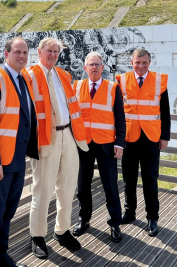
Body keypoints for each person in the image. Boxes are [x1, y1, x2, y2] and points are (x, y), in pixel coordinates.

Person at [24, 37, 88, 259]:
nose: (52, 55)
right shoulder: (29, 75)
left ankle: (62, 230)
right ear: (39, 52)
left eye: (56, 52)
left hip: (68, 134)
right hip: (45, 138)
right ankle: (37, 236)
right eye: (49, 51)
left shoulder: (63, 75)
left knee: (68, 186)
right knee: (42, 189)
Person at [0, 37, 38, 267]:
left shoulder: (23, 80)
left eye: (25, 52)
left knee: (7, 214)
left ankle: (2, 257)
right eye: (17, 52)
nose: (22, 56)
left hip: (16, 161)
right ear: (6, 54)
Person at [115, 49, 171, 237]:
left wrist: (165, 137)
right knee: (128, 179)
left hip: (151, 139)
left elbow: (165, 111)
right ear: (131, 62)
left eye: (144, 63)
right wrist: (118, 138)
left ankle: (152, 218)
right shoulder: (121, 80)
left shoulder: (159, 81)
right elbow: (118, 112)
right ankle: (129, 212)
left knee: (150, 180)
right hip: (129, 139)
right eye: (137, 62)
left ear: (150, 62)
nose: (140, 66)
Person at [72, 52, 126, 242]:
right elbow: (72, 116)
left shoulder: (113, 88)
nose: (94, 67)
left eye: (97, 64)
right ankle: (84, 219)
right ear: (85, 68)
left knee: (110, 186)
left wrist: (120, 142)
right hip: (83, 145)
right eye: (90, 64)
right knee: (82, 186)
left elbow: (120, 117)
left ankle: (115, 224)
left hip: (107, 145)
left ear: (103, 68)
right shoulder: (76, 87)